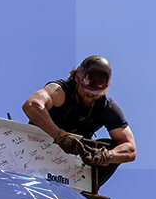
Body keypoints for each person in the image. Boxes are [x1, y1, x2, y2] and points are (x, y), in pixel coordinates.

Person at [22, 55, 136, 188]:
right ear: (77, 78)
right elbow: (31, 105)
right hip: (34, 152)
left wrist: (107, 156)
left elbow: (130, 149)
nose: (91, 96)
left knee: (112, 146)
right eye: (87, 91)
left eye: (96, 93)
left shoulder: (106, 107)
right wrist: (60, 136)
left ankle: (84, 188)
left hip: (70, 168)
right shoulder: (60, 91)